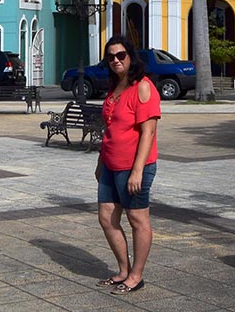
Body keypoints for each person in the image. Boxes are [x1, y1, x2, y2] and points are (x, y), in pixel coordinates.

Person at [95, 35, 160, 296]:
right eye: (110, 56)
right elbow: (110, 128)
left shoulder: (143, 87)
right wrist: (101, 161)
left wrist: (137, 170)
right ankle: (123, 270)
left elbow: (149, 133)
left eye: (121, 55)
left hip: (134, 167)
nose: (115, 60)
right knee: (106, 218)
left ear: (131, 57)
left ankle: (136, 275)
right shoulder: (115, 88)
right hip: (111, 165)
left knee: (137, 219)